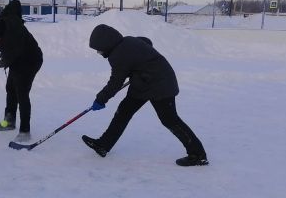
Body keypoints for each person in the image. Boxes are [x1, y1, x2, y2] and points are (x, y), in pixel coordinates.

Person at [82, 23, 208, 166]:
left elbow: (115, 82)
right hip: (143, 83)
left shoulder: (118, 55)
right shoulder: (127, 41)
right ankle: (103, 145)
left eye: (99, 49)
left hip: (160, 84)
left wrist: (101, 99)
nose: (99, 53)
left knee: (170, 120)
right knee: (124, 111)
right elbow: (146, 42)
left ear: (106, 44)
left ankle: (198, 155)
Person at [0, 0, 43, 143]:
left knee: (21, 92)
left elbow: (9, 56)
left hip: (30, 60)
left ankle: (25, 131)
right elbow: (15, 3)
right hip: (17, 59)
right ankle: (9, 121)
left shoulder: (13, 38)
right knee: (10, 88)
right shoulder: (3, 20)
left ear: (2, 34)